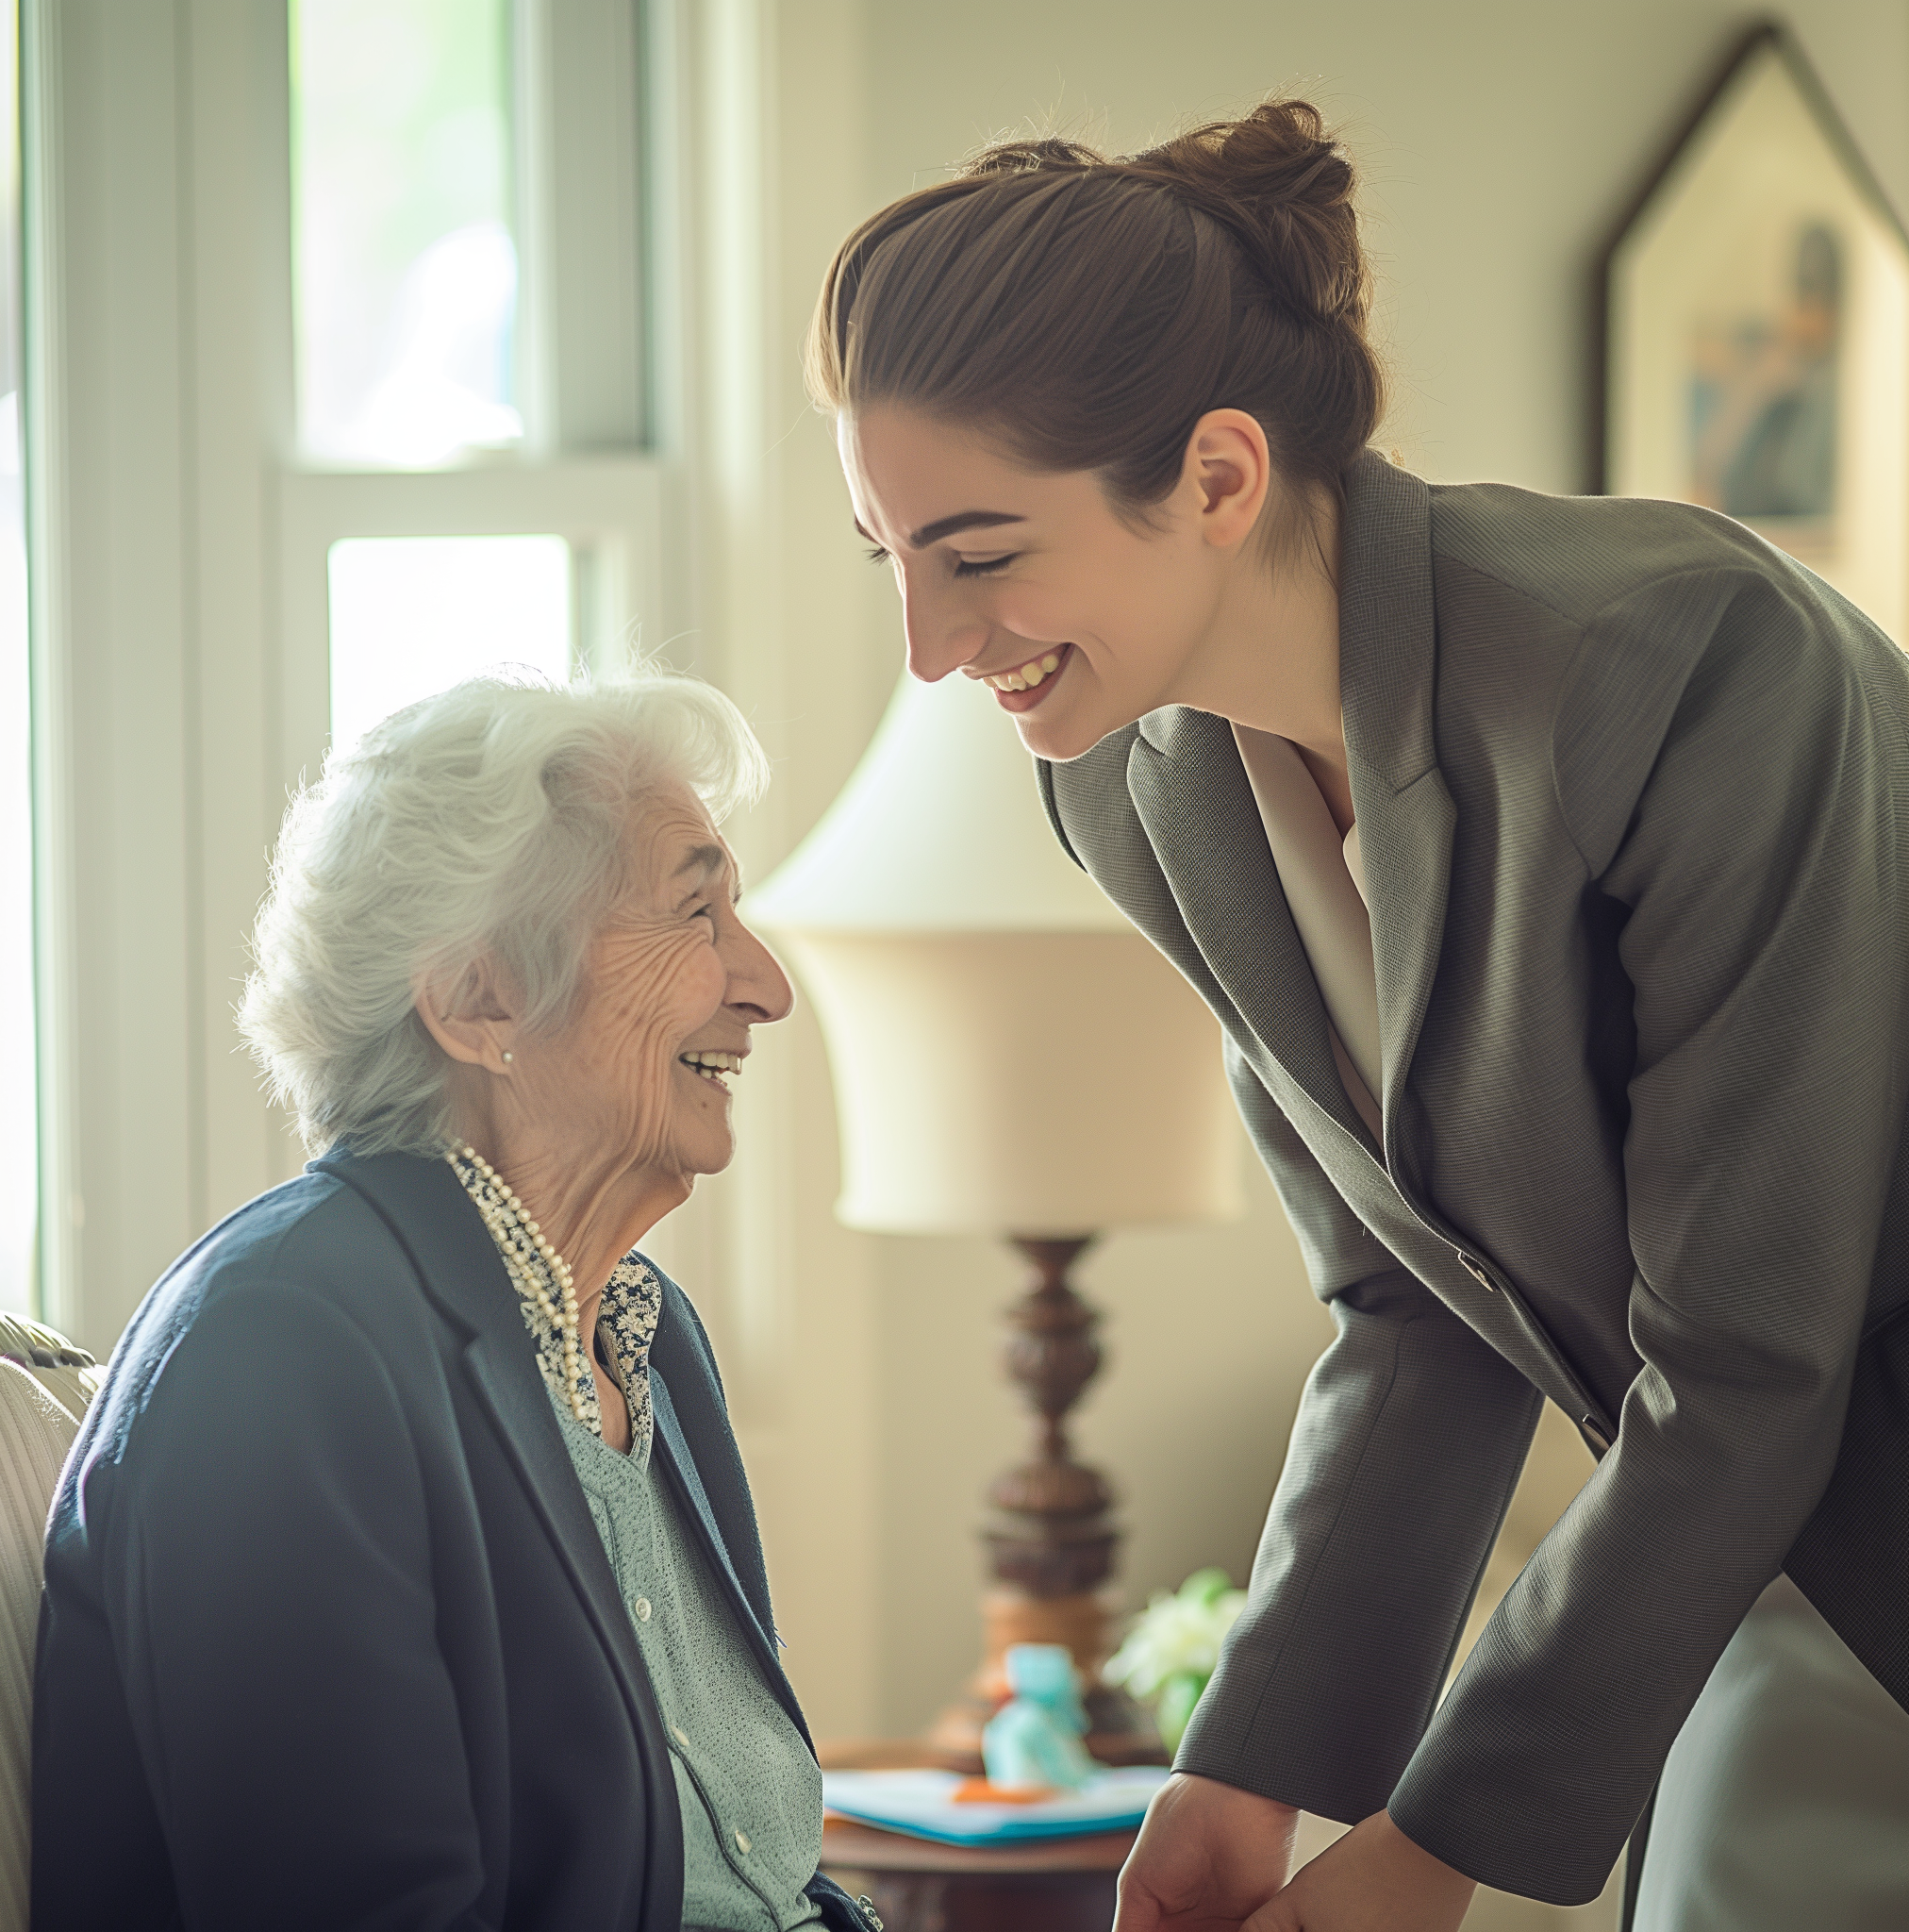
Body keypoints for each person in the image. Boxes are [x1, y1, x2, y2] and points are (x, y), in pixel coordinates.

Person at [805, 99, 1909, 1932]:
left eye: (980, 554)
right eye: (889, 559)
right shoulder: (1132, 790)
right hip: (1765, 1560)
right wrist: (1243, 1774)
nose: (929, 645)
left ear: (1220, 477)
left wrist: (1434, 1848)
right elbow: (1412, 1302)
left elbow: (1745, 1353)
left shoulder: (1683, 669)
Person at [32, 673, 879, 1932]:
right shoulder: (278, 1350)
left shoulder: (648, 1340)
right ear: (483, 1000)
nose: (763, 984)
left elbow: (757, 1874)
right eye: (697, 913)